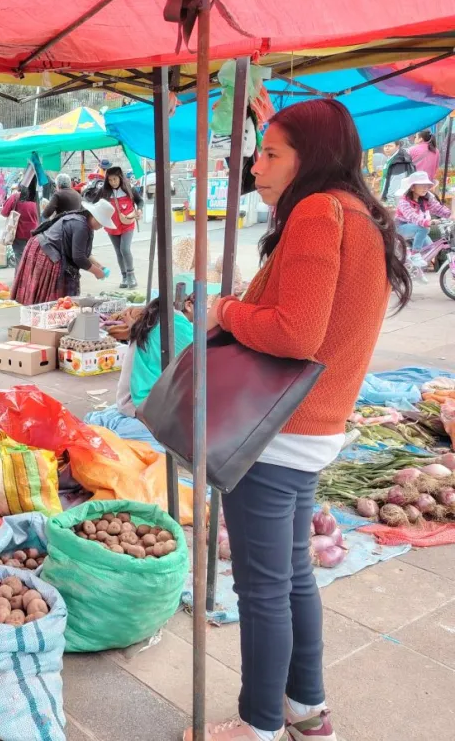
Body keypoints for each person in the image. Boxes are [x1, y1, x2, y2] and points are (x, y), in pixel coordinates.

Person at [188, 98, 412, 741]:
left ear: (309, 159)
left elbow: (295, 332)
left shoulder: (317, 211)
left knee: (262, 588)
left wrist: (226, 311)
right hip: (314, 425)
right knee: (289, 577)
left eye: (272, 153)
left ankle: (259, 725)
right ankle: (306, 712)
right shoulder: (357, 214)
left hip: (278, 431)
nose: (256, 165)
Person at [11, 198, 113, 305]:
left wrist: (98, 265)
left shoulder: (86, 224)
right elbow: (79, 257)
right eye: (100, 222)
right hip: (45, 251)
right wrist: (96, 272)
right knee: (49, 296)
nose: (101, 226)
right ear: (93, 215)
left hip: (47, 247)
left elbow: (83, 252)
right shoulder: (81, 226)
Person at [116, 297, 194, 416]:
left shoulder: (162, 317)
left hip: (128, 399)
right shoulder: (177, 325)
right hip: (139, 404)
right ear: (189, 305)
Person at [99, 166, 142, 289]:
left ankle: (131, 276)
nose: (112, 182)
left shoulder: (129, 189)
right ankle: (124, 276)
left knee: (125, 249)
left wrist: (139, 210)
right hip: (112, 226)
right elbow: (95, 202)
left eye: (115, 179)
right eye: (110, 180)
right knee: (118, 251)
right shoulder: (105, 192)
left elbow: (140, 201)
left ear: (120, 178)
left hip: (127, 224)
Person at [395, 171, 451, 262]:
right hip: (402, 227)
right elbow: (411, 216)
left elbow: (437, 208)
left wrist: (450, 214)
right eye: (422, 185)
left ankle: (417, 272)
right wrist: (427, 222)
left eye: (427, 185)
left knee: (430, 250)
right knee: (423, 229)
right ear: (412, 187)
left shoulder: (426, 198)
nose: (426, 188)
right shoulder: (404, 201)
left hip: (420, 227)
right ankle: (415, 254)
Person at [1, 179, 40, 266]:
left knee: (20, 259)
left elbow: (4, 212)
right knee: (31, 259)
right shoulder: (36, 198)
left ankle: (20, 279)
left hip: (19, 233)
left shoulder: (15, 197)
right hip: (34, 233)